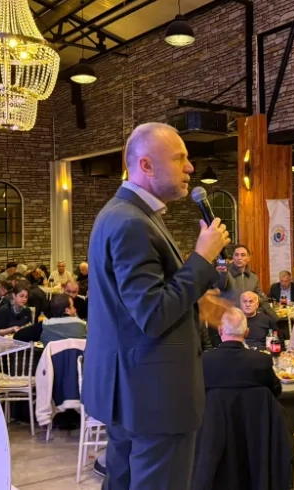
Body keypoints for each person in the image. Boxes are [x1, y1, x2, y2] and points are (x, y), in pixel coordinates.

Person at [84, 122, 229, 490]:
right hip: (155, 397)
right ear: (146, 165)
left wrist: (199, 300)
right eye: (180, 158)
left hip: (132, 390)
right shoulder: (132, 223)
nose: (190, 167)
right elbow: (152, 314)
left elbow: (133, 306)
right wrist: (202, 258)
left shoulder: (122, 214)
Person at [202, 307, 281, 397]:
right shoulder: (263, 360)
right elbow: (276, 391)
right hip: (253, 406)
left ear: (220, 330)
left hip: (217, 406)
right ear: (247, 332)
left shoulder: (205, 360)